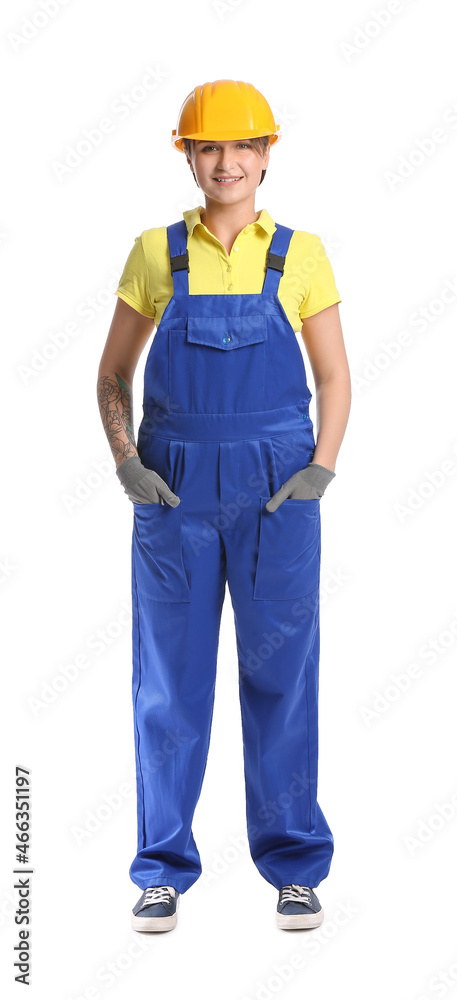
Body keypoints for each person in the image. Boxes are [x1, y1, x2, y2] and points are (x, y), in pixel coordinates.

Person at [97, 79, 351, 934]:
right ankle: (161, 868)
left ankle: (293, 865)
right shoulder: (152, 251)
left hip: (279, 490)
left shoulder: (304, 253)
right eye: (209, 146)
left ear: (267, 153)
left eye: (242, 146)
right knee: (169, 684)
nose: (227, 161)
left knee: (282, 676)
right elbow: (110, 374)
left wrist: (319, 468)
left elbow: (334, 376)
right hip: (171, 490)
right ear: (187, 154)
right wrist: (126, 459)